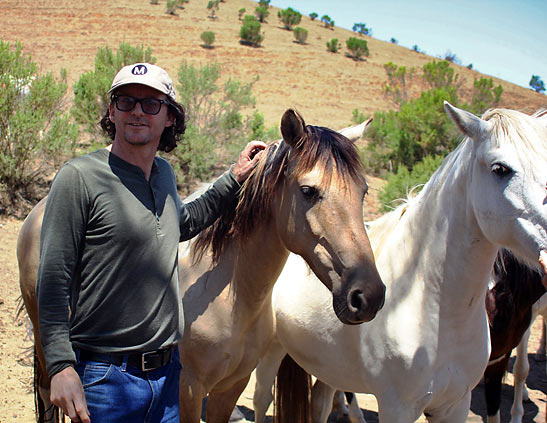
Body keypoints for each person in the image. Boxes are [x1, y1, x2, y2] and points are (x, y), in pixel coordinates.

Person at [36, 62, 266, 423]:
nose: (138, 111)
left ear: (170, 118)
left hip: (167, 373)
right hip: (105, 378)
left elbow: (182, 222)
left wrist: (234, 178)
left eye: (151, 103)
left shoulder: (163, 174)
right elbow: (51, 281)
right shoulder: (79, 178)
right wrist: (61, 365)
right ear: (111, 111)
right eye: (126, 101)